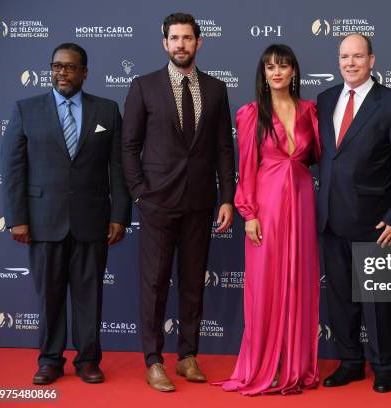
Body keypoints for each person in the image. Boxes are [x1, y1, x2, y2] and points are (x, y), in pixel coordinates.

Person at [1, 43, 131, 385]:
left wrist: (120, 215)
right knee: (50, 296)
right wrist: (18, 218)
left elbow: (117, 169)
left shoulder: (106, 110)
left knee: (90, 296)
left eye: (70, 67)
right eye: (56, 66)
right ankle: (50, 360)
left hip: (93, 220)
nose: (61, 72)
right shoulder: (26, 109)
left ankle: (88, 360)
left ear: (84, 73)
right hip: (44, 221)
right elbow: (13, 170)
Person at [122, 13, 235, 392]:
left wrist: (227, 198)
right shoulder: (144, 86)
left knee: (192, 283)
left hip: (201, 202)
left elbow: (223, 147)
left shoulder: (217, 89)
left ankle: (187, 356)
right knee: (154, 283)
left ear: (199, 43)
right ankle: (153, 360)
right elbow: (129, 146)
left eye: (188, 38)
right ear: (164, 43)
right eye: (174, 38)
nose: (181, 44)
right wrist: (139, 192)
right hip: (157, 202)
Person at [215, 44, 320, 395]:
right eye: (270, 66)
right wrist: (249, 214)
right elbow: (245, 168)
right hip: (267, 207)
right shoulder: (250, 113)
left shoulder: (310, 111)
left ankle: (294, 364)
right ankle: (264, 364)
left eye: (283, 65)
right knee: (265, 286)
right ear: (262, 73)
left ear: (294, 71)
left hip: (302, 204)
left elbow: (317, 156)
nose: (276, 72)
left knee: (299, 282)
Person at [316, 33, 391, 393]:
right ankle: (350, 362)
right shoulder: (325, 100)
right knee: (340, 298)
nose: (351, 63)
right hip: (330, 217)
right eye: (345, 57)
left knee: (377, 302)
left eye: (358, 56)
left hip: (374, 221)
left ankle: (384, 365)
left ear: (372, 60)